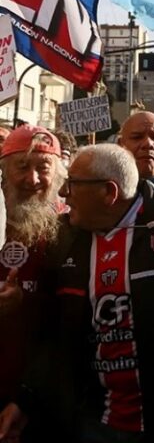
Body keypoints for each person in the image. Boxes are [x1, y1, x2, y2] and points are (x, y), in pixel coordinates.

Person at [0, 143, 154, 442]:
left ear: (109, 192)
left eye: (72, 184)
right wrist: (26, 398)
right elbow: (55, 330)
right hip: (93, 420)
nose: (62, 193)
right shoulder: (63, 239)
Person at [0, 127, 65, 443]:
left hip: (39, 393)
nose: (33, 179)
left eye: (43, 168)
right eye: (22, 167)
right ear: (4, 172)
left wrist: (24, 301)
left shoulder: (71, 228)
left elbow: (70, 319)